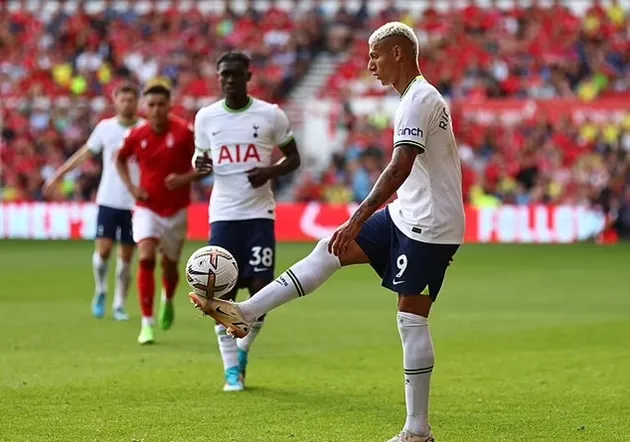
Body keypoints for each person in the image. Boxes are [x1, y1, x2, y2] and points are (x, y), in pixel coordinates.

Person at [190, 22, 465, 442]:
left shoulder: (419, 99)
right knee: (329, 249)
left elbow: (400, 166)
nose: (370, 65)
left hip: (430, 225)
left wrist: (357, 217)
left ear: (397, 53)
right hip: (407, 213)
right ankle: (245, 313)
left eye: (375, 55)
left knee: (410, 319)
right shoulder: (413, 98)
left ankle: (417, 430)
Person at [192, 51, 301, 392]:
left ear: (248, 77)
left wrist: (269, 171)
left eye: (235, 74)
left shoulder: (269, 115)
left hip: (259, 215)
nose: (228, 80)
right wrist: (200, 165)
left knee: (260, 290)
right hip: (223, 214)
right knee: (218, 292)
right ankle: (230, 371)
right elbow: (200, 157)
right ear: (218, 77)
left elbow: (294, 158)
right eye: (223, 74)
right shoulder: (206, 117)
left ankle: (243, 350)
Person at [43, 83, 143, 321]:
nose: (127, 104)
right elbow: (85, 153)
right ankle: (100, 290)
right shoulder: (105, 128)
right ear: (115, 101)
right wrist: (59, 174)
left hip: (135, 203)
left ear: (137, 102)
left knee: (127, 256)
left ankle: (119, 304)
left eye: (131, 100)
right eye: (123, 99)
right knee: (104, 252)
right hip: (108, 199)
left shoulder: (144, 129)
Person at [116, 79, 205, 345]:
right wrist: (133, 188)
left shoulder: (184, 133)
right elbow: (119, 159)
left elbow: (204, 166)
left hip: (176, 210)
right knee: (145, 257)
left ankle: (167, 298)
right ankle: (146, 322)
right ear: (145, 107)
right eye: (151, 105)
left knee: (170, 265)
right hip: (147, 208)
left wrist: (185, 178)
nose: (155, 110)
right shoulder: (137, 135)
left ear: (169, 106)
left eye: (160, 105)